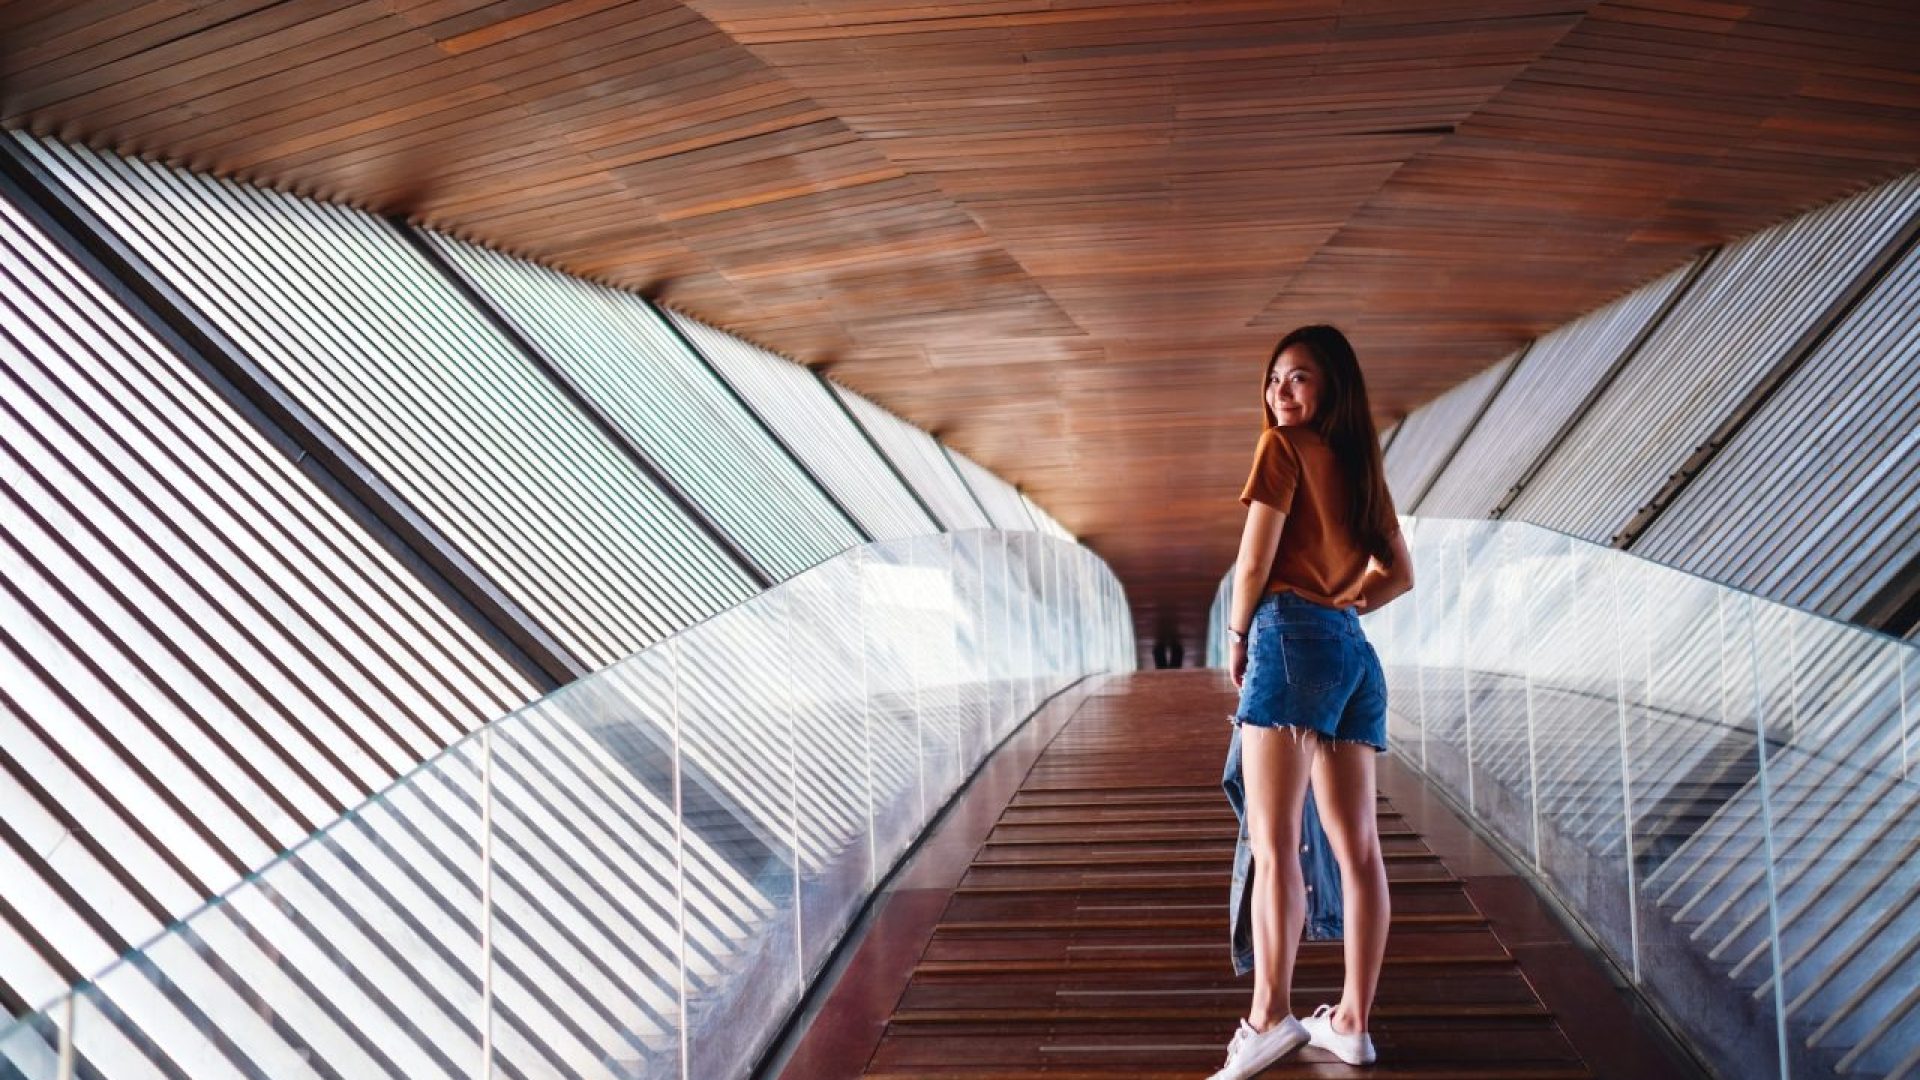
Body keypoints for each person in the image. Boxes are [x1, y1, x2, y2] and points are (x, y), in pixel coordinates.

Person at [1209, 325, 1415, 1079]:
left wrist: (1238, 636)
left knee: (1275, 844)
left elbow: (1255, 557)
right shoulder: (1361, 466)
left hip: (1289, 637)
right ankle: (1353, 1022)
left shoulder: (1282, 450)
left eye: (1298, 378)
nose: (1280, 393)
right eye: (1273, 380)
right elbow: (1399, 575)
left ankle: (1269, 1018)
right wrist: (1344, 603)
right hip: (1352, 652)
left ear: (1331, 386)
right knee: (1358, 849)